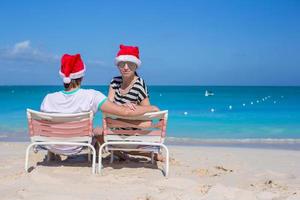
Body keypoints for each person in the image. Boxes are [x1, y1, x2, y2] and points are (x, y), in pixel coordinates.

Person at [40, 53, 159, 160]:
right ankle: (107, 155)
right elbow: (125, 112)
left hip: (52, 144)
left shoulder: (48, 98)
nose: (125, 67)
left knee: (97, 132)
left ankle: (53, 154)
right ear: (81, 76)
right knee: (96, 134)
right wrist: (152, 108)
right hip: (79, 146)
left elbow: (44, 125)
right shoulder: (92, 96)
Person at [108, 44, 163, 161]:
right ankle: (123, 153)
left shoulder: (139, 84)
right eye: (122, 64)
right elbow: (107, 105)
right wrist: (122, 107)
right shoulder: (114, 81)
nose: (126, 67)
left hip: (132, 130)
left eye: (130, 64)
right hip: (116, 129)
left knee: (146, 124)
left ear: (136, 66)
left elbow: (147, 117)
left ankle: (145, 154)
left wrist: (151, 108)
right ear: (118, 65)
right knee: (97, 132)